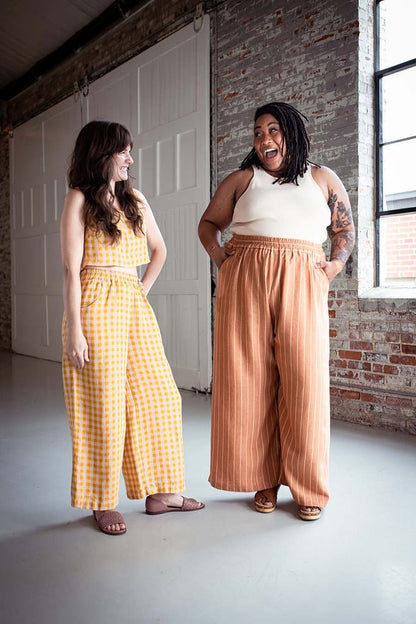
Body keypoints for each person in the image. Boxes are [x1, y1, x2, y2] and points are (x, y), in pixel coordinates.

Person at [198, 102, 355, 521]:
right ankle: (263, 478)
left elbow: (344, 229)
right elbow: (208, 224)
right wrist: (220, 258)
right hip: (246, 278)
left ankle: (308, 486)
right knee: (249, 379)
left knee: (304, 380)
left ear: (292, 133)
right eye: (257, 132)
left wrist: (334, 265)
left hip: (303, 277)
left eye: (273, 130)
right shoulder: (242, 179)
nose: (264, 139)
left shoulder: (322, 178)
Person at [60, 120, 204, 535]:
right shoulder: (79, 199)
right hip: (94, 301)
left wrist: (140, 289)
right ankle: (103, 501)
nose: (130, 158)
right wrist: (75, 330)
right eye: (123, 151)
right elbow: (70, 269)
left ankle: (162, 493)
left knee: (159, 396)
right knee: (103, 404)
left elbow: (160, 250)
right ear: (101, 153)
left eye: (130, 151)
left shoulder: (135, 199)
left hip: (132, 303)